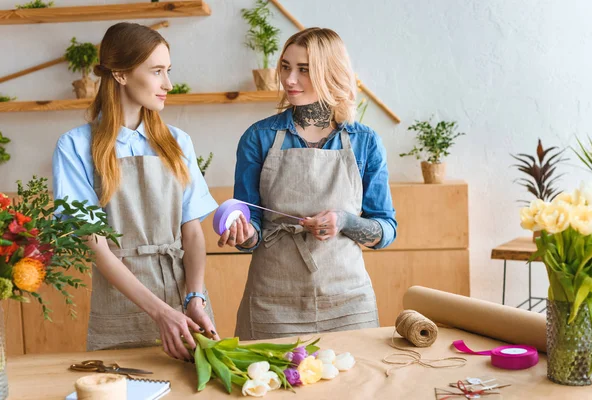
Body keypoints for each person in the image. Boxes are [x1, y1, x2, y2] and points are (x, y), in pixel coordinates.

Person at [52, 22, 219, 360]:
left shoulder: (177, 141)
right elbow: (98, 248)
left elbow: (193, 233)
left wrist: (194, 298)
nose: (167, 84)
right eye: (157, 71)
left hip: (185, 306)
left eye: (168, 71)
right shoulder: (75, 147)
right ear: (121, 74)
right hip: (118, 310)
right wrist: (161, 313)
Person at [218, 27, 397, 340]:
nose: (289, 79)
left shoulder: (365, 142)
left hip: (348, 303)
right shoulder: (258, 138)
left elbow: (385, 230)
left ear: (331, 73)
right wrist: (243, 233)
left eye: (304, 69)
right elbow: (252, 229)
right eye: (286, 67)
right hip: (273, 302)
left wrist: (343, 221)